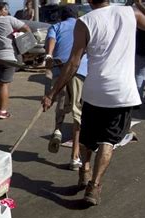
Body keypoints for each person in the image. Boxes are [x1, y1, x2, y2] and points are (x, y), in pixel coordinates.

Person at [41, 0, 145, 206]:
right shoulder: (130, 13)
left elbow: (74, 62)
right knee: (108, 141)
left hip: (95, 90)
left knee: (88, 138)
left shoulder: (85, 21)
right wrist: (142, 5)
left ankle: (84, 172)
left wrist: (52, 93)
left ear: (88, 0)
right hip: (121, 93)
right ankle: (94, 186)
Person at [44, 5, 88, 171]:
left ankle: (57, 130)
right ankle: (75, 157)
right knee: (78, 112)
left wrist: (49, 55)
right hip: (80, 71)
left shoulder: (57, 26)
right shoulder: (83, 26)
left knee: (61, 102)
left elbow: (51, 40)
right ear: (77, 15)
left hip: (60, 68)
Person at [0, 2, 31, 118]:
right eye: (5, 9)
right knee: (4, 84)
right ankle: (2, 111)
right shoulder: (9, 19)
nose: (7, 11)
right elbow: (26, 28)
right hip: (7, 57)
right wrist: (23, 40)